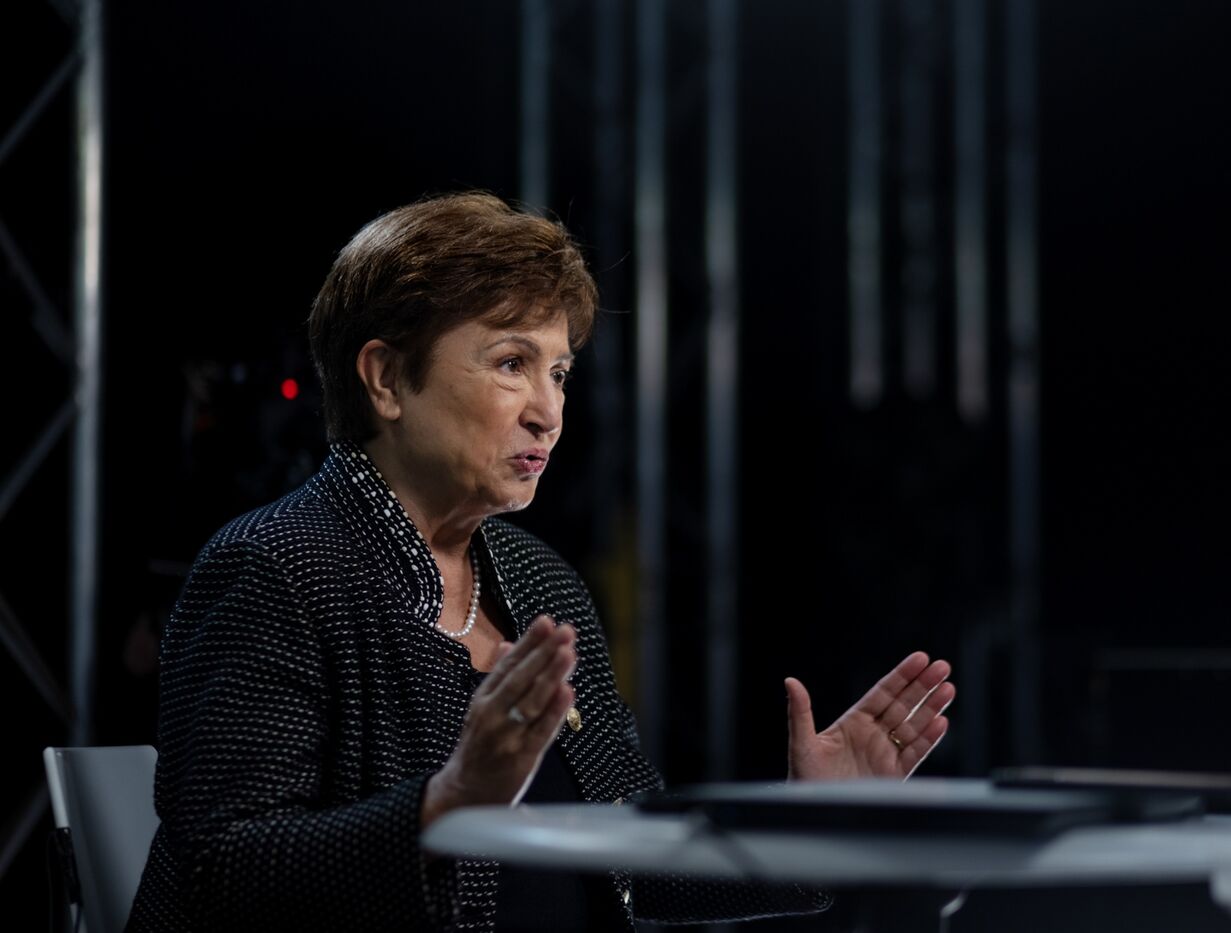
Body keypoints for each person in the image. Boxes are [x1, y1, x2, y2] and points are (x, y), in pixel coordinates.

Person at [126, 192, 956, 932]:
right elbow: (223, 871)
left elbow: (635, 855)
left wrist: (804, 826)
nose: (550, 412)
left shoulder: (539, 582)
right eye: (511, 363)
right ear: (384, 378)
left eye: (559, 372)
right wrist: (449, 804)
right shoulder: (270, 568)